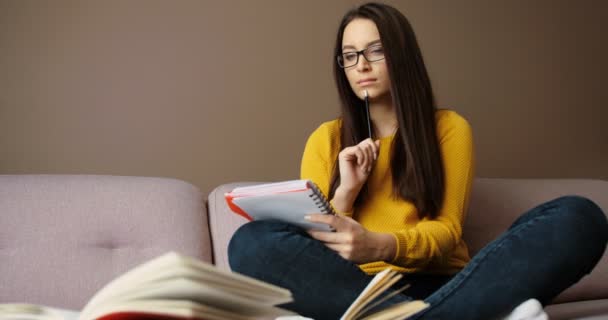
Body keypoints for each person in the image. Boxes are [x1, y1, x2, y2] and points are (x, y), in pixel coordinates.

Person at [228, 3, 608, 319]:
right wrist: (346, 192)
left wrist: (379, 245)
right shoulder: (325, 139)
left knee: (579, 216)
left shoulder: (449, 128)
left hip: (449, 283)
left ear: (401, 55)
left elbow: (446, 233)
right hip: (351, 289)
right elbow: (314, 248)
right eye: (349, 55)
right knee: (249, 243)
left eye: (376, 51)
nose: (361, 64)